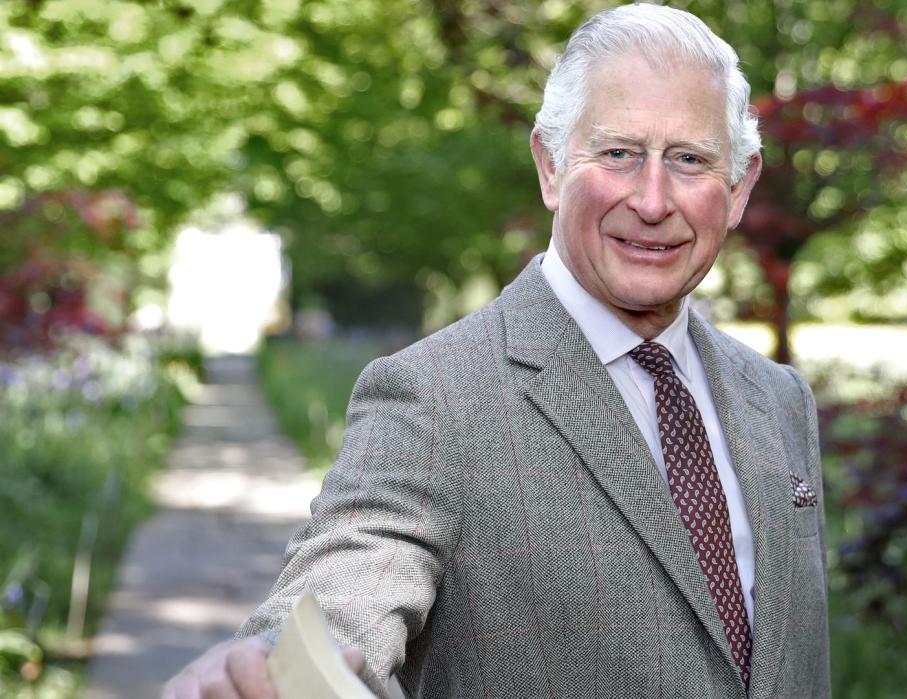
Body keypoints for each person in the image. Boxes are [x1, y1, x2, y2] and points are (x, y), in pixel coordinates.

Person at [162, 4, 829, 698]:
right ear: (549, 166)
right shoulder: (434, 398)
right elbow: (346, 594)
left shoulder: (777, 401)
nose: (652, 198)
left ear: (739, 185)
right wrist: (282, 670)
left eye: (689, 159)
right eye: (618, 153)